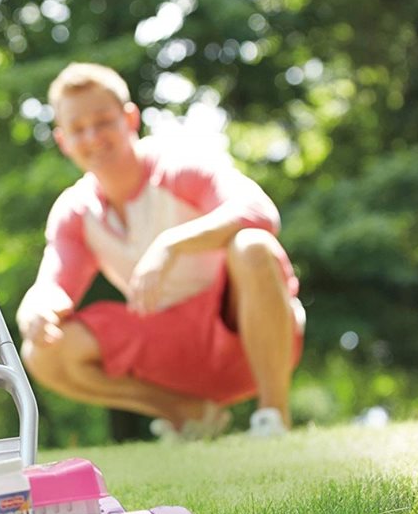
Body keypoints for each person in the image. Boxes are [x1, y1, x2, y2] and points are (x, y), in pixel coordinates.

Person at [16, 63, 304, 439]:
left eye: (103, 121)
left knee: (252, 244)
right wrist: (34, 309)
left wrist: (171, 244)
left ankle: (274, 418)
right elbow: (53, 285)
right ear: (63, 140)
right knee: (41, 352)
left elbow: (260, 212)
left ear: (129, 118)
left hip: (246, 337)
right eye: (78, 129)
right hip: (169, 353)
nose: (92, 137)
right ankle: (189, 416)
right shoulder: (74, 212)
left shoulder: (177, 165)